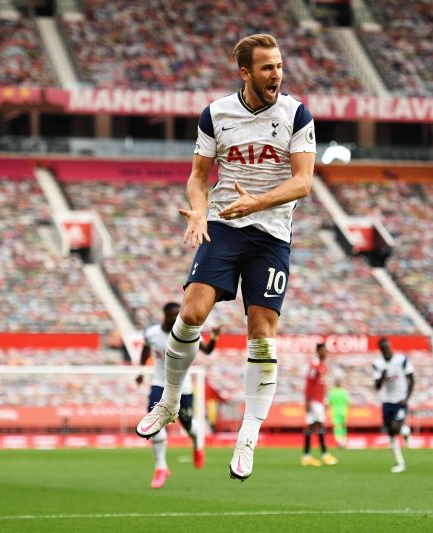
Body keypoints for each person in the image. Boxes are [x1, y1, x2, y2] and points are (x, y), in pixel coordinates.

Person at [135, 33, 316, 483]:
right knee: (191, 313)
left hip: (271, 234)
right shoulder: (216, 114)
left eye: (279, 66)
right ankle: (169, 401)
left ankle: (248, 434)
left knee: (262, 332)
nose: (277, 74)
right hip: (223, 226)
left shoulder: (296, 114)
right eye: (267, 67)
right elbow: (198, 177)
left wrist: (254, 203)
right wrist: (199, 210)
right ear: (245, 73)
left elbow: (303, 182)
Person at [136, 302, 221, 489]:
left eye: (178, 314)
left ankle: (197, 444)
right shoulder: (152, 334)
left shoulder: (186, 333)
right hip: (160, 385)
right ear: (164, 315)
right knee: (153, 423)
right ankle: (161, 467)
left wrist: (214, 337)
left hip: (184, 388)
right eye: (172, 315)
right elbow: (145, 349)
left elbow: (207, 350)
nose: (176, 318)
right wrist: (141, 371)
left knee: (187, 424)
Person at [373, 337, 415, 473]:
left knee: (394, 427)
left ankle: (404, 430)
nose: (387, 350)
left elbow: (412, 379)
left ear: (390, 347)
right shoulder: (378, 364)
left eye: (388, 347)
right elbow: (377, 386)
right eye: (383, 348)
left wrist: (407, 397)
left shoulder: (401, 360)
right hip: (386, 401)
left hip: (400, 401)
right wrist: (382, 377)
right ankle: (399, 462)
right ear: (381, 350)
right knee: (390, 433)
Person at [302, 343, 338, 466]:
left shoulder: (322, 366)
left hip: (319, 400)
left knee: (311, 426)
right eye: (323, 351)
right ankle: (325, 454)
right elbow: (309, 383)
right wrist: (307, 401)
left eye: (326, 351)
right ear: (318, 352)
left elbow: (321, 385)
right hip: (314, 401)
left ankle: (306, 456)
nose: (325, 353)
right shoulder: (315, 365)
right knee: (320, 425)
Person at [328, 377, 350, 448]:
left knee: (337, 427)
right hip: (343, 411)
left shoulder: (332, 392)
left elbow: (329, 402)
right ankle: (344, 441)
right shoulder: (344, 392)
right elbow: (348, 402)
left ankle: (339, 441)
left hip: (335, 411)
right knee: (343, 426)